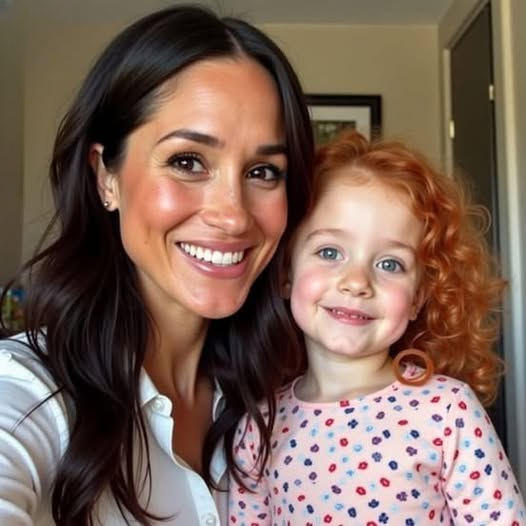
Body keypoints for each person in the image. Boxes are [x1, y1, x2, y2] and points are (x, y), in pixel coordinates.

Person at [0, 5, 314, 525]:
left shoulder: (283, 402)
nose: (233, 215)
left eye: (263, 171)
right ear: (106, 177)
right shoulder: (28, 392)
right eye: (187, 161)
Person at [228, 131, 526, 525]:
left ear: (418, 297)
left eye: (390, 264)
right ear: (286, 272)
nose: (357, 282)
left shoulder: (447, 410)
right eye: (329, 252)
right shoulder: (259, 428)